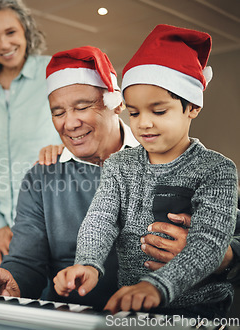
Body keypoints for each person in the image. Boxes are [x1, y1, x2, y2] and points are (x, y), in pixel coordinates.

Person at [0, 45, 240, 310]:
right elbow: (27, 261)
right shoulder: (41, 176)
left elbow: (230, 236)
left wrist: (220, 258)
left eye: (82, 107)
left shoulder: (203, 167)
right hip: (72, 317)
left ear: (115, 103)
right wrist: (10, 281)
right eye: (58, 112)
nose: (69, 123)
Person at [53, 25, 237, 318]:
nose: (144, 124)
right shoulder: (119, 165)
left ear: (192, 107)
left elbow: (209, 244)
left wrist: (157, 286)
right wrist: (87, 262)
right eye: (135, 113)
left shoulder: (217, 170)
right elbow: (100, 219)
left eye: (159, 111)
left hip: (201, 309)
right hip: (132, 305)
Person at [0, 0, 61, 267]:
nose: (4, 45)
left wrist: (65, 148)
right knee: (0, 303)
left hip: (52, 224)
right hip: (2, 231)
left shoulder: (51, 71)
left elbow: (79, 131)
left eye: (11, 32)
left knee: (57, 305)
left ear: (26, 31)